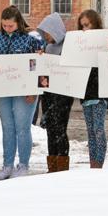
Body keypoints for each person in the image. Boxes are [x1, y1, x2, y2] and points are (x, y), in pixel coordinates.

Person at [0, 6, 43, 180]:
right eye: (4, 25)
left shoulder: (31, 38)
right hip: (4, 89)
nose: (7, 29)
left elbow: (39, 65)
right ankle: (7, 165)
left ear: (18, 22)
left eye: (10, 26)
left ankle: (23, 165)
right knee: (8, 128)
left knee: (22, 128)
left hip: (24, 90)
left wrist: (33, 89)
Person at [36, 12, 73, 173]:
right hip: (49, 93)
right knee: (50, 128)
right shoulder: (48, 47)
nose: (45, 36)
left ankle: (62, 163)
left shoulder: (69, 45)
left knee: (60, 128)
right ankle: (52, 164)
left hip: (64, 94)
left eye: (47, 33)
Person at [76, 10, 108, 169]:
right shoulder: (79, 44)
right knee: (90, 131)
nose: (84, 29)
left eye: (87, 25)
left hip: (100, 92)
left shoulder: (102, 41)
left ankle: (99, 163)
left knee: (98, 129)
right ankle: (92, 163)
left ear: (95, 24)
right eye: (82, 26)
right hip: (85, 93)